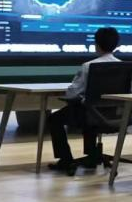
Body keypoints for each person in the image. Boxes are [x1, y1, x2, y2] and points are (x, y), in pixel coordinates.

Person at [47, 26, 121, 171]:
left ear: (97, 45)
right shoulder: (123, 66)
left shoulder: (88, 66)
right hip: (116, 115)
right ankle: (91, 157)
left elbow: (72, 94)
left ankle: (66, 160)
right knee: (89, 109)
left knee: (54, 119)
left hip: (90, 115)